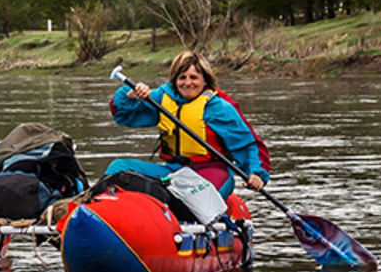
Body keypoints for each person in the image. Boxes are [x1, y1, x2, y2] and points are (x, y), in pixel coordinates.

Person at [106, 50, 268, 194]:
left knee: (194, 196)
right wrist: (130, 95)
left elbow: (246, 145)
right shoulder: (161, 99)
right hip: (172, 170)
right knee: (118, 168)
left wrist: (255, 173)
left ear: (205, 80)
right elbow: (123, 115)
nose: (187, 83)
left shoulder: (220, 108)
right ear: (175, 80)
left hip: (210, 171)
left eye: (194, 77)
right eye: (182, 77)